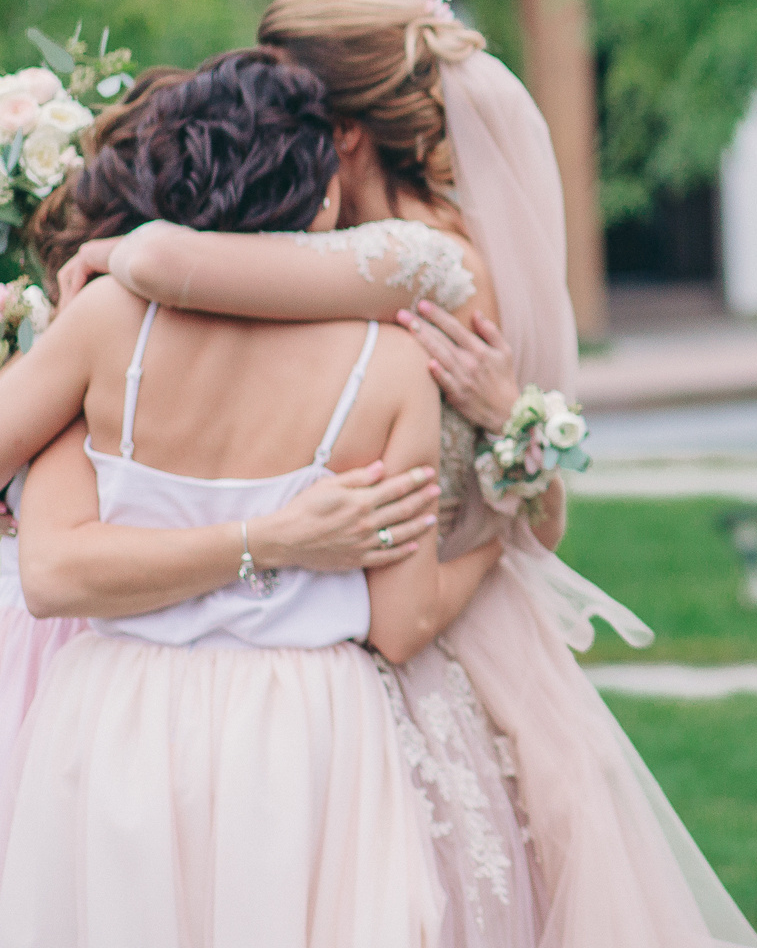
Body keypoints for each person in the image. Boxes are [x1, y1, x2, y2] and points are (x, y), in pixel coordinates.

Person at [51, 0, 757, 948]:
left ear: (341, 131)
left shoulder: (417, 261)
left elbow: (174, 263)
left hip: (418, 647)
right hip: (322, 633)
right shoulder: (375, 249)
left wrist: (113, 253)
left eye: (287, 101)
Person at [0, 49, 500, 946]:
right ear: (322, 200)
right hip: (304, 731)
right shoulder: (393, 367)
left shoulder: (109, 322)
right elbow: (401, 627)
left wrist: (36, 469)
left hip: (120, 714)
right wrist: (497, 548)